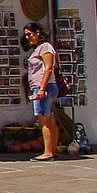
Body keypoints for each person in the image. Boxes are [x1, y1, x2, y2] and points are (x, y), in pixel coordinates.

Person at [23, 23, 60, 161]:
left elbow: (49, 67)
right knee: (50, 118)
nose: (27, 37)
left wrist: (42, 88)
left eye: (29, 34)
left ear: (37, 32)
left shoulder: (45, 47)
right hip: (40, 86)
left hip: (43, 86)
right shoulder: (38, 49)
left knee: (43, 118)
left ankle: (48, 152)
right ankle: (52, 150)